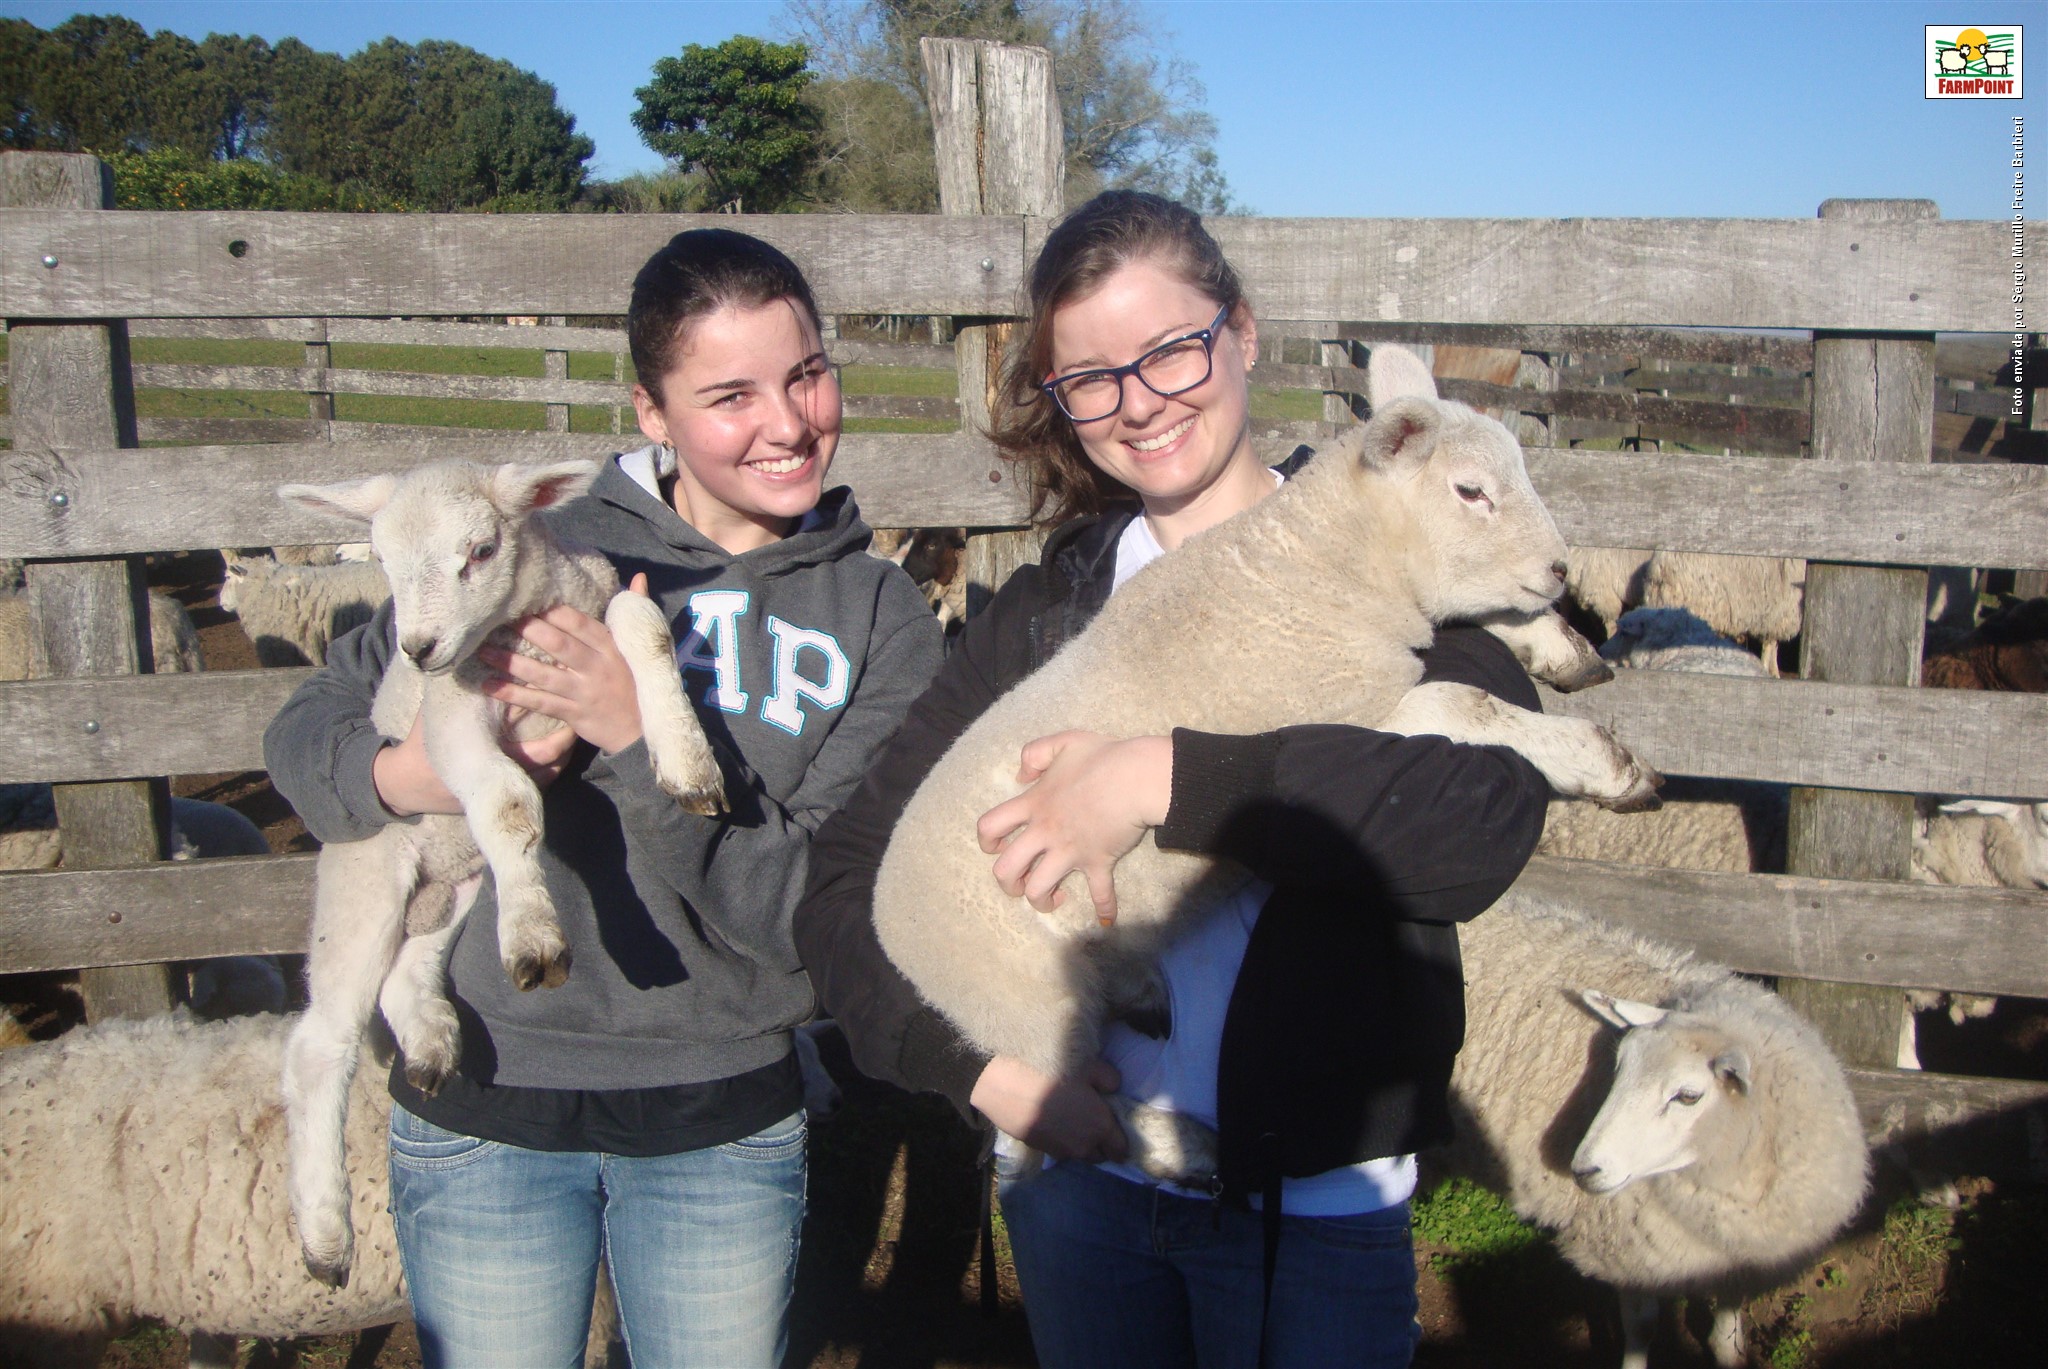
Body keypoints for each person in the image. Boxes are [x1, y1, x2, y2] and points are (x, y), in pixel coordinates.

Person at [794, 190, 1551, 1369]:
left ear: (1239, 333)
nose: (1139, 401)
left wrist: (1162, 778)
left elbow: (1471, 828)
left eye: (1171, 349)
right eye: (1089, 378)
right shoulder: (1044, 618)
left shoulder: (1405, 566)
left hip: (1312, 1204)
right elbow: (842, 881)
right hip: (1079, 1192)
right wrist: (984, 1076)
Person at [265, 228, 944, 1369]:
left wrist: (630, 731)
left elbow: (821, 905)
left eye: (806, 375)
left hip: (718, 1110)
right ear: (651, 412)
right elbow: (311, 723)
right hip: (487, 1091)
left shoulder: (880, 617)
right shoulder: (525, 544)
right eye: (729, 395)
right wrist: (403, 778)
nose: (786, 423)